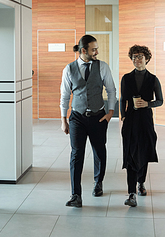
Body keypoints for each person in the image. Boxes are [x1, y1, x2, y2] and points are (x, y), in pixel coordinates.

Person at [60, 34, 117, 208]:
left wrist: (110, 113)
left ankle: (98, 182)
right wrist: (63, 119)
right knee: (76, 154)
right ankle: (76, 194)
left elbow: (112, 90)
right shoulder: (69, 69)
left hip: (98, 116)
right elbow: (64, 95)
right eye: (94, 49)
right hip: (77, 117)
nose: (97, 52)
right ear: (83, 50)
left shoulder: (102, 67)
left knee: (99, 151)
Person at [120, 45, 163, 207]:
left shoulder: (153, 79)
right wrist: (123, 116)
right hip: (130, 121)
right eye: (134, 57)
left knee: (143, 153)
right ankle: (131, 193)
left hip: (145, 121)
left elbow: (160, 100)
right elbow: (123, 99)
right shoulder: (126, 78)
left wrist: (147, 103)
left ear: (147, 58)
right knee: (130, 155)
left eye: (139, 57)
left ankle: (141, 182)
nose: (136, 60)